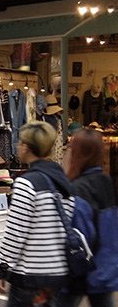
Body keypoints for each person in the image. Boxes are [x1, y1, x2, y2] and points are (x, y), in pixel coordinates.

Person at [0, 121, 75, 307]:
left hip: (29, 275)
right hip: (58, 274)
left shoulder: (26, 183)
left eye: (20, 142)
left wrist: (2, 268)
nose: (17, 146)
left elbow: (16, 233)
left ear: (27, 147)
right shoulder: (63, 182)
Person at [56, 129, 116, 307]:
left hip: (82, 271)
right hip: (106, 267)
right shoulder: (106, 181)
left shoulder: (78, 188)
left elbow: (81, 236)